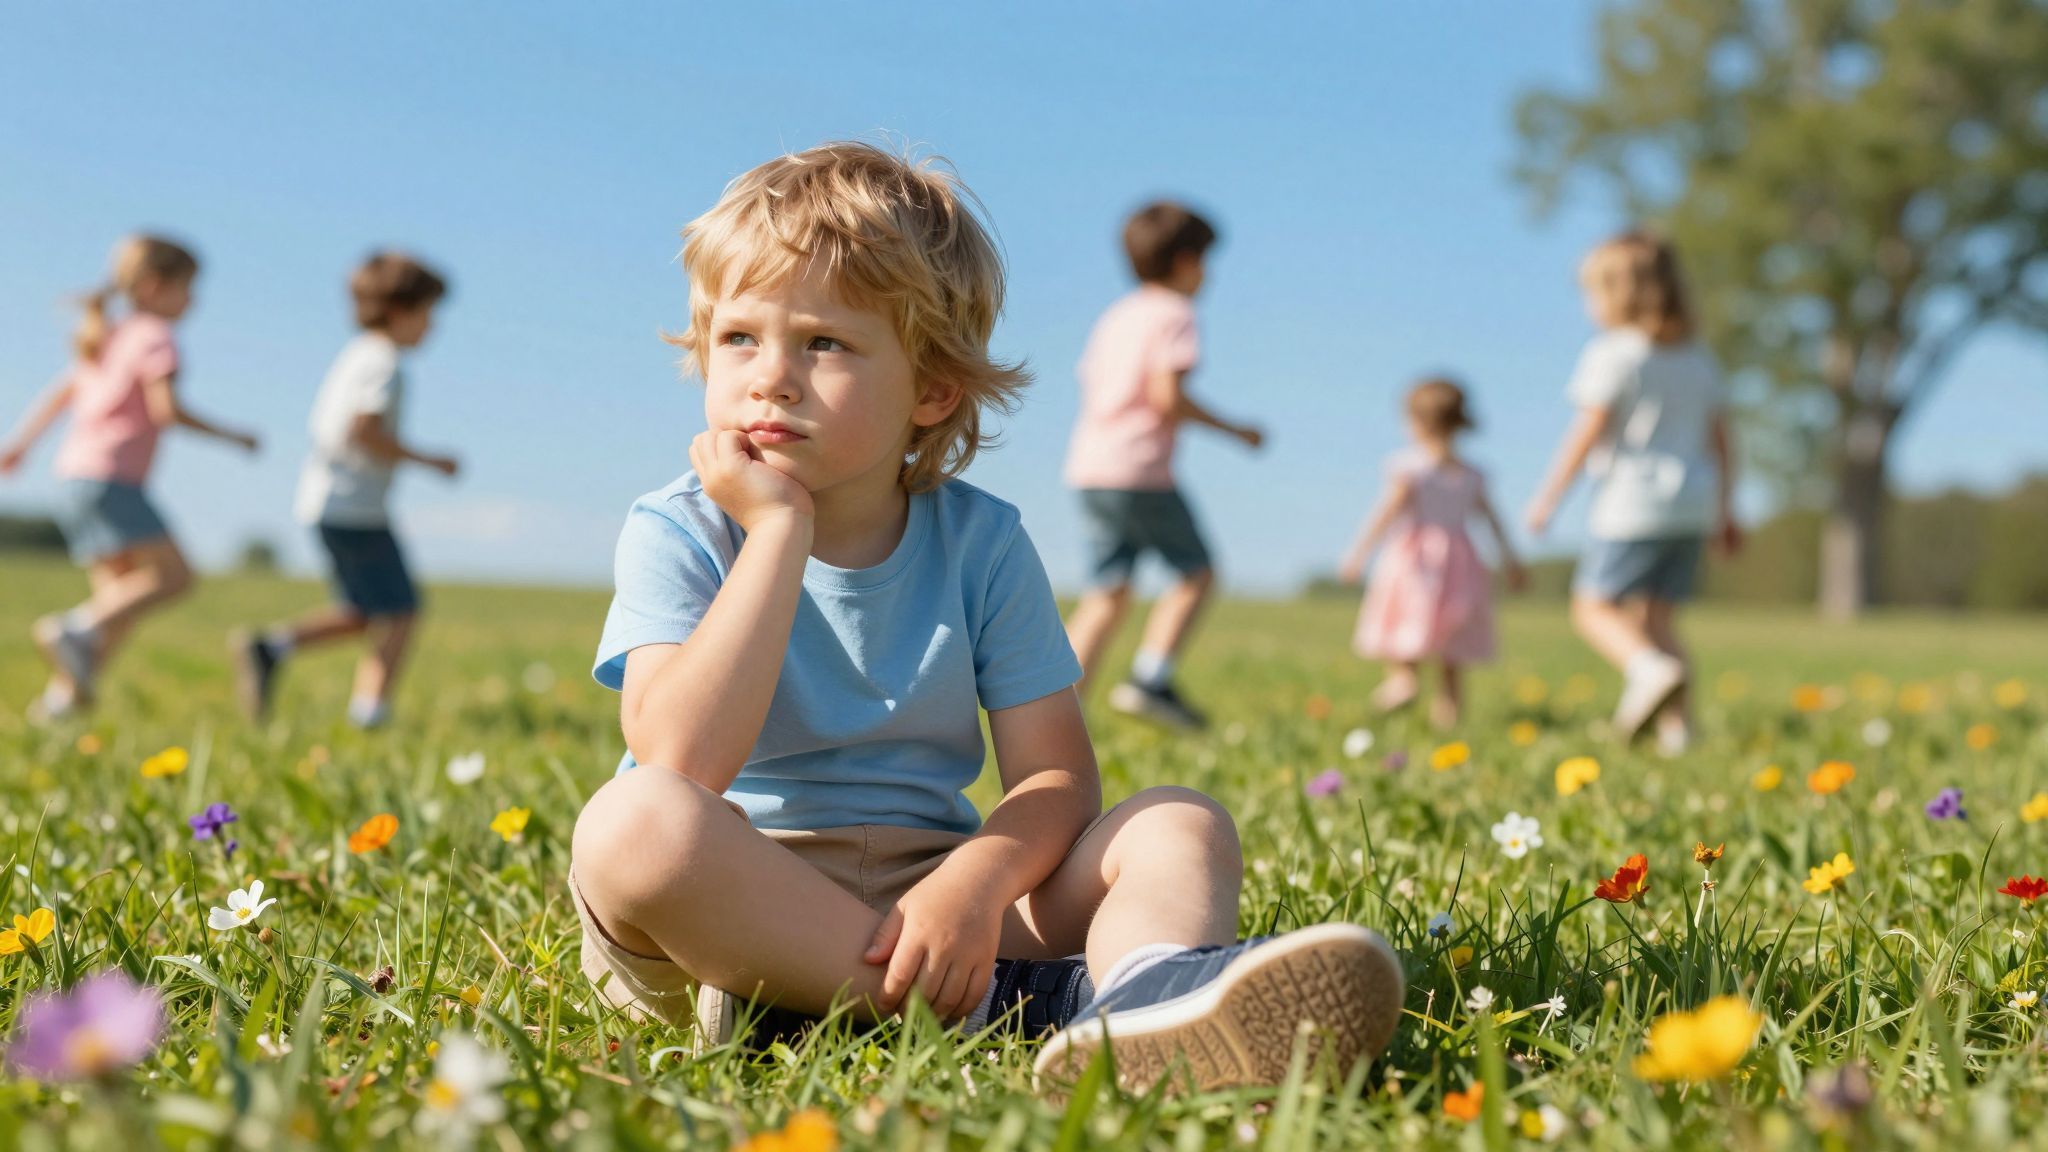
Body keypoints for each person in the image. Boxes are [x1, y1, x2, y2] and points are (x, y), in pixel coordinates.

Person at [567, 143, 1402, 1095]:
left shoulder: (983, 543)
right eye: (739, 338)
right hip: (725, 917)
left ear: (931, 388)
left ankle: (1145, 997)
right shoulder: (680, 529)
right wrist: (775, 533)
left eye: (825, 344)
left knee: (1179, 821)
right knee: (633, 824)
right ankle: (1026, 1001)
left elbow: (1055, 776)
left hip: (935, 900)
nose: (773, 379)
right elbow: (683, 760)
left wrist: (976, 882)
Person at [0, 234, 260, 721]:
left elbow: (60, 396)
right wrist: (232, 436)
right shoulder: (155, 336)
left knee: (117, 603)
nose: (193, 301)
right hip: (112, 476)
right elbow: (167, 411)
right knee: (174, 578)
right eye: (187, 287)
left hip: (74, 476)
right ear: (155, 286)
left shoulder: (106, 335)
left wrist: (20, 445)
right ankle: (72, 629)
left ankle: (59, 706)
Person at [1525, 231, 1740, 754]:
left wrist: (1548, 497)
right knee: (1658, 618)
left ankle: (1646, 672)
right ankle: (1677, 733)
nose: (1588, 305)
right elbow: (1723, 443)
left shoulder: (1614, 354)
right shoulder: (1698, 360)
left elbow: (1587, 433)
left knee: (1593, 607)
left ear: (1619, 294)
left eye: (1593, 292)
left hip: (1632, 503)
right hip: (1693, 503)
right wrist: (1726, 509)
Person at [1059, 201, 1264, 731]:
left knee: (1107, 591)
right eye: (1206, 261)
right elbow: (1165, 394)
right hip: (1139, 470)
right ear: (1186, 261)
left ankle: (1059, 712)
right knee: (1197, 572)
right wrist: (1236, 430)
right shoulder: (1175, 314)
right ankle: (1151, 678)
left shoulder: (1116, 315)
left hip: (1090, 468)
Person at [233, 252, 458, 729]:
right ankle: (370, 713)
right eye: (427, 313)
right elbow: (363, 430)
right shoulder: (384, 363)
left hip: (327, 501)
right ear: (400, 310)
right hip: (354, 505)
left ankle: (270, 648)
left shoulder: (357, 353)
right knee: (401, 609)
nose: (431, 327)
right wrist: (429, 461)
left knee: (363, 610)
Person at [1340, 378, 1525, 730]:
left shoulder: (1409, 468)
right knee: (1451, 649)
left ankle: (1403, 681)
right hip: (1460, 559)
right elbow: (1493, 520)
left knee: (1408, 622)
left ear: (1418, 422)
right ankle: (1448, 723)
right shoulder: (1472, 474)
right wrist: (1511, 561)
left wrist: (1359, 553)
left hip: (1415, 558)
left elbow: (1387, 512)